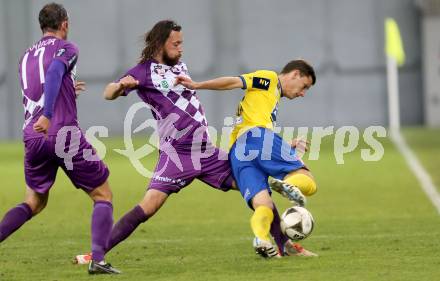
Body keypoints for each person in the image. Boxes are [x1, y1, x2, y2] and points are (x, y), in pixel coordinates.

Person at [75, 20, 313, 263]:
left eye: (182, 43)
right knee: (148, 207)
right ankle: (95, 255)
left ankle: (284, 244)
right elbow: (108, 92)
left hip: (206, 152)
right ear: (160, 43)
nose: (181, 48)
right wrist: (118, 88)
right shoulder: (142, 72)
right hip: (176, 155)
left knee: (257, 191)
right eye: (176, 44)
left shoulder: (179, 66)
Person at [0, 3, 120, 274]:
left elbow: (39, 89)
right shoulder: (67, 47)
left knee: (34, 202)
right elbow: (54, 72)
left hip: (32, 136)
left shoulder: (25, 57)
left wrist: (65, 93)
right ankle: (98, 260)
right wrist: (50, 113)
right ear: (64, 23)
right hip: (61, 132)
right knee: (103, 194)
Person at [175, 59, 319, 257]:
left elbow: (255, 132)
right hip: (257, 138)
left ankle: (261, 238)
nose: (302, 93)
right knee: (307, 179)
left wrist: (286, 145)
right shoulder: (269, 78)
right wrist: (197, 85)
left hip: (239, 152)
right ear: (295, 74)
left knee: (264, 205)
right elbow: (233, 82)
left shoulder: (270, 97)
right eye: (304, 87)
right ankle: (291, 185)